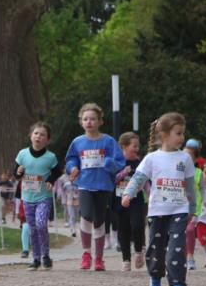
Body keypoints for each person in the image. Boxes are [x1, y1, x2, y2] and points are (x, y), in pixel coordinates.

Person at [122, 112, 197, 286]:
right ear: (164, 135)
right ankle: (155, 278)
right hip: (157, 212)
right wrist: (128, 193)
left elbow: (190, 187)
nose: (182, 137)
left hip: (179, 211)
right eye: (178, 133)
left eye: (183, 133)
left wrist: (192, 209)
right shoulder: (151, 158)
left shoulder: (185, 159)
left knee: (176, 250)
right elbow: (138, 178)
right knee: (156, 249)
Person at [65, 103, 126, 271]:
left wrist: (109, 163)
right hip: (84, 184)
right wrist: (72, 168)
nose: (89, 122)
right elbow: (71, 159)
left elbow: (120, 162)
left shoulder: (108, 141)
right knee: (86, 215)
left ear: (100, 121)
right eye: (85, 119)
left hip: (103, 185)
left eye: (92, 119)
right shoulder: (78, 142)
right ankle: (86, 254)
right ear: (81, 122)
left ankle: (99, 258)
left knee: (99, 221)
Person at [14, 122, 61, 270]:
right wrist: (19, 172)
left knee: (41, 224)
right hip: (27, 198)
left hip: (43, 197)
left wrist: (50, 180)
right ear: (31, 136)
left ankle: (45, 255)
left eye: (42, 135)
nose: (38, 137)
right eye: (36, 133)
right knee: (32, 229)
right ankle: (36, 259)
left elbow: (57, 172)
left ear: (47, 140)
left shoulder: (50, 157)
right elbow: (16, 174)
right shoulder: (22, 154)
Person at [113, 131, 146, 272]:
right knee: (123, 230)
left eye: (138, 146)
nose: (137, 149)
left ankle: (138, 251)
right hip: (119, 200)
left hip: (136, 200)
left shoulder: (141, 163)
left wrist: (145, 190)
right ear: (124, 146)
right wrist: (123, 173)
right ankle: (126, 260)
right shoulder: (116, 162)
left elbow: (146, 180)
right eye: (134, 146)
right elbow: (111, 180)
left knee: (138, 225)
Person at [182, 138, 205, 271]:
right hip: (179, 206)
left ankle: (190, 257)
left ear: (195, 159)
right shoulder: (177, 170)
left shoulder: (198, 173)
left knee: (190, 230)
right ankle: (180, 256)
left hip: (194, 208)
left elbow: (202, 189)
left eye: (189, 156)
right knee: (179, 232)